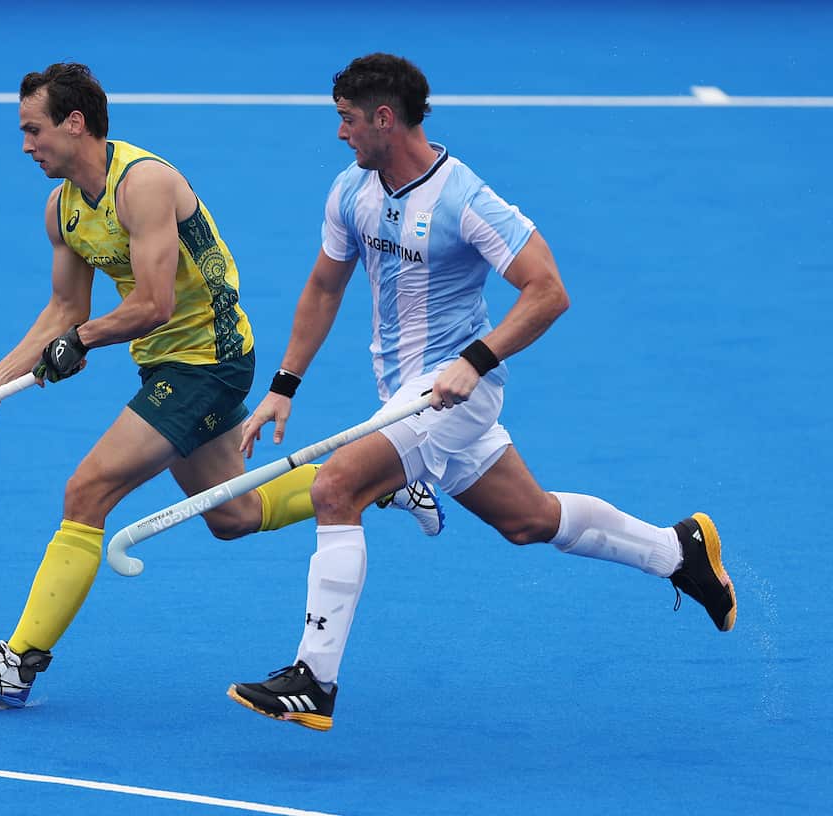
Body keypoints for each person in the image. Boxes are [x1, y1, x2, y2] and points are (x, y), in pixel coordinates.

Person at [227, 53, 737, 732]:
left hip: (454, 392)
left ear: (384, 118)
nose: (341, 134)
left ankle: (313, 679)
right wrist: (284, 387)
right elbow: (324, 286)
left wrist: (474, 358)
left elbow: (548, 290)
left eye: (348, 120)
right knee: (528, 520)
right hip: (406, 395)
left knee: (335, 488)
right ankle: (680, 553)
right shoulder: (351, 191)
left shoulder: (466, 199)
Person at [0, 62, 443, 709]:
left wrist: (83, 342)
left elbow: (151, 303)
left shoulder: (143, 184)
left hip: (209, 358)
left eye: (34, 129)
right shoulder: (63, 209)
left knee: (87, 489)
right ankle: (384, 478)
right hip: (164, 362)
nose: (26, 144)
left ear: (74, 122)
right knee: (232, 515)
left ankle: (17, 664)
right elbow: (63, 310)